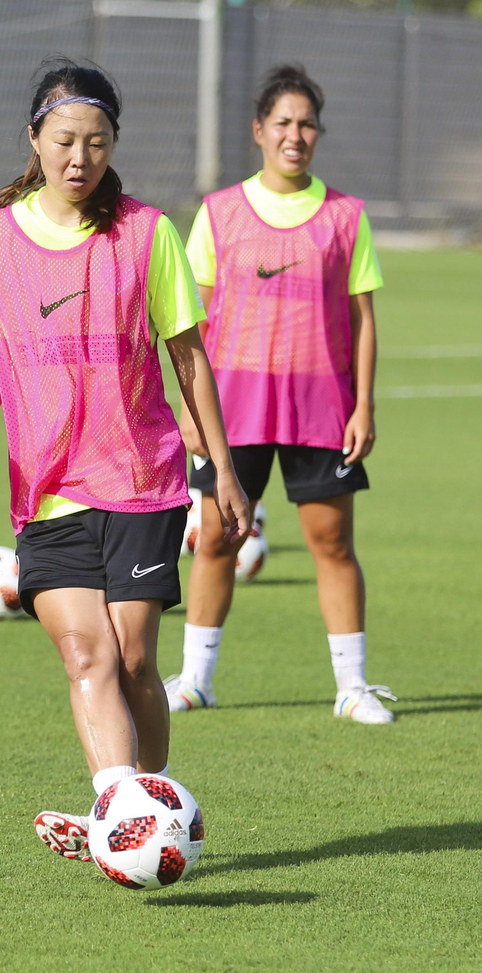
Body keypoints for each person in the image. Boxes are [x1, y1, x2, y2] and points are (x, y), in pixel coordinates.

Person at [0, 58, 250, 864]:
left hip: (142, 480)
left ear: (114, 145)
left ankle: (150, 803)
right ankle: (126, 815)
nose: (82, 159)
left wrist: (222, 469)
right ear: (34, 139)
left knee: (137, 659)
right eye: (67, 141)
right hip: (46, 491)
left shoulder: (147, 233)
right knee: (88, 654)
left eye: (99, 143)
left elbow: (188, 359)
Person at [163, 65, 394, 724]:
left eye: (307, 123)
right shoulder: (219, 212)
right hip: (231, 408)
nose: (296, 135)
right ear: (259, 131)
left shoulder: (346, 216)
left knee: (333, 543)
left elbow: (363, 320)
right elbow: (192, 321)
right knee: (216, 540)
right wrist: (187, 407)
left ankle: (353, 688)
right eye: (283, 123)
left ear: (318, 134)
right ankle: (195, 680)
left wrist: (364, 404)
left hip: (322, 407)